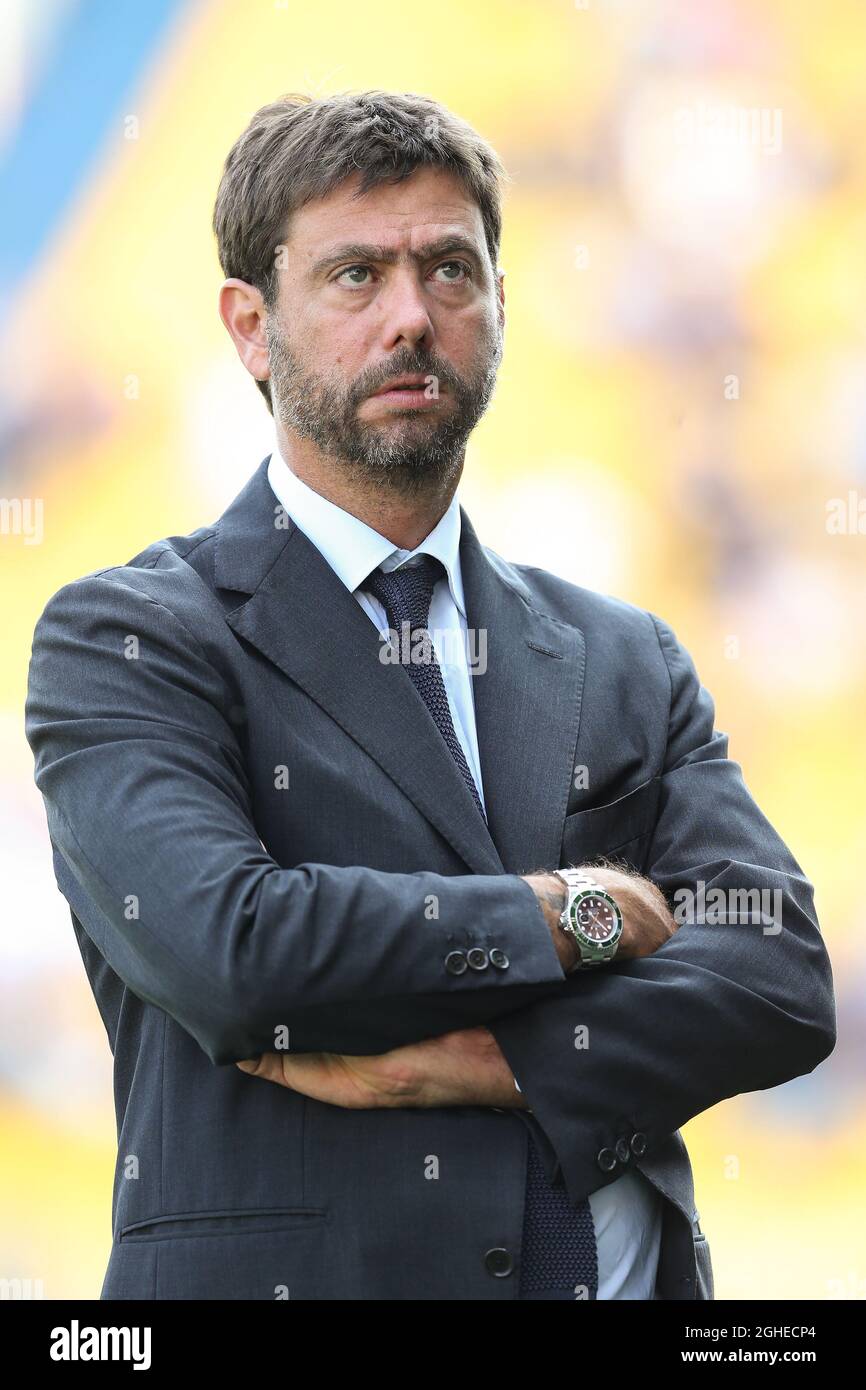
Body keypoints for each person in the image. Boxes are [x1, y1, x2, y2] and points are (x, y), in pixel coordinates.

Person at [25, 90, 835, 1301]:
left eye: (448, 270)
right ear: (250, 326)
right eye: (355, 275)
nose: (411, 315)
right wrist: (582, 912)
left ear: (499, 302)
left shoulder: (622, 652)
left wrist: (492, 1063)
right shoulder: (130, 637)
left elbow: (778, 972)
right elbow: (239, 952)